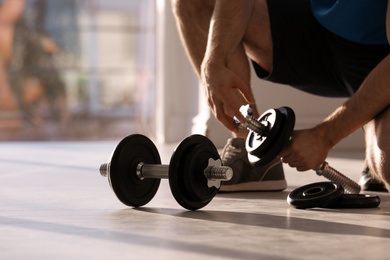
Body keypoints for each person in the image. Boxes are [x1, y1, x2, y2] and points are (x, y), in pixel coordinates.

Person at [171, 0, 390, 192]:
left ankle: (375, 126)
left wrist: (325, 135)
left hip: (382, 56)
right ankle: (252, 153)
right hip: (319, 31)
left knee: (387, 162)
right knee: (193, 1)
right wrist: (214, 62)